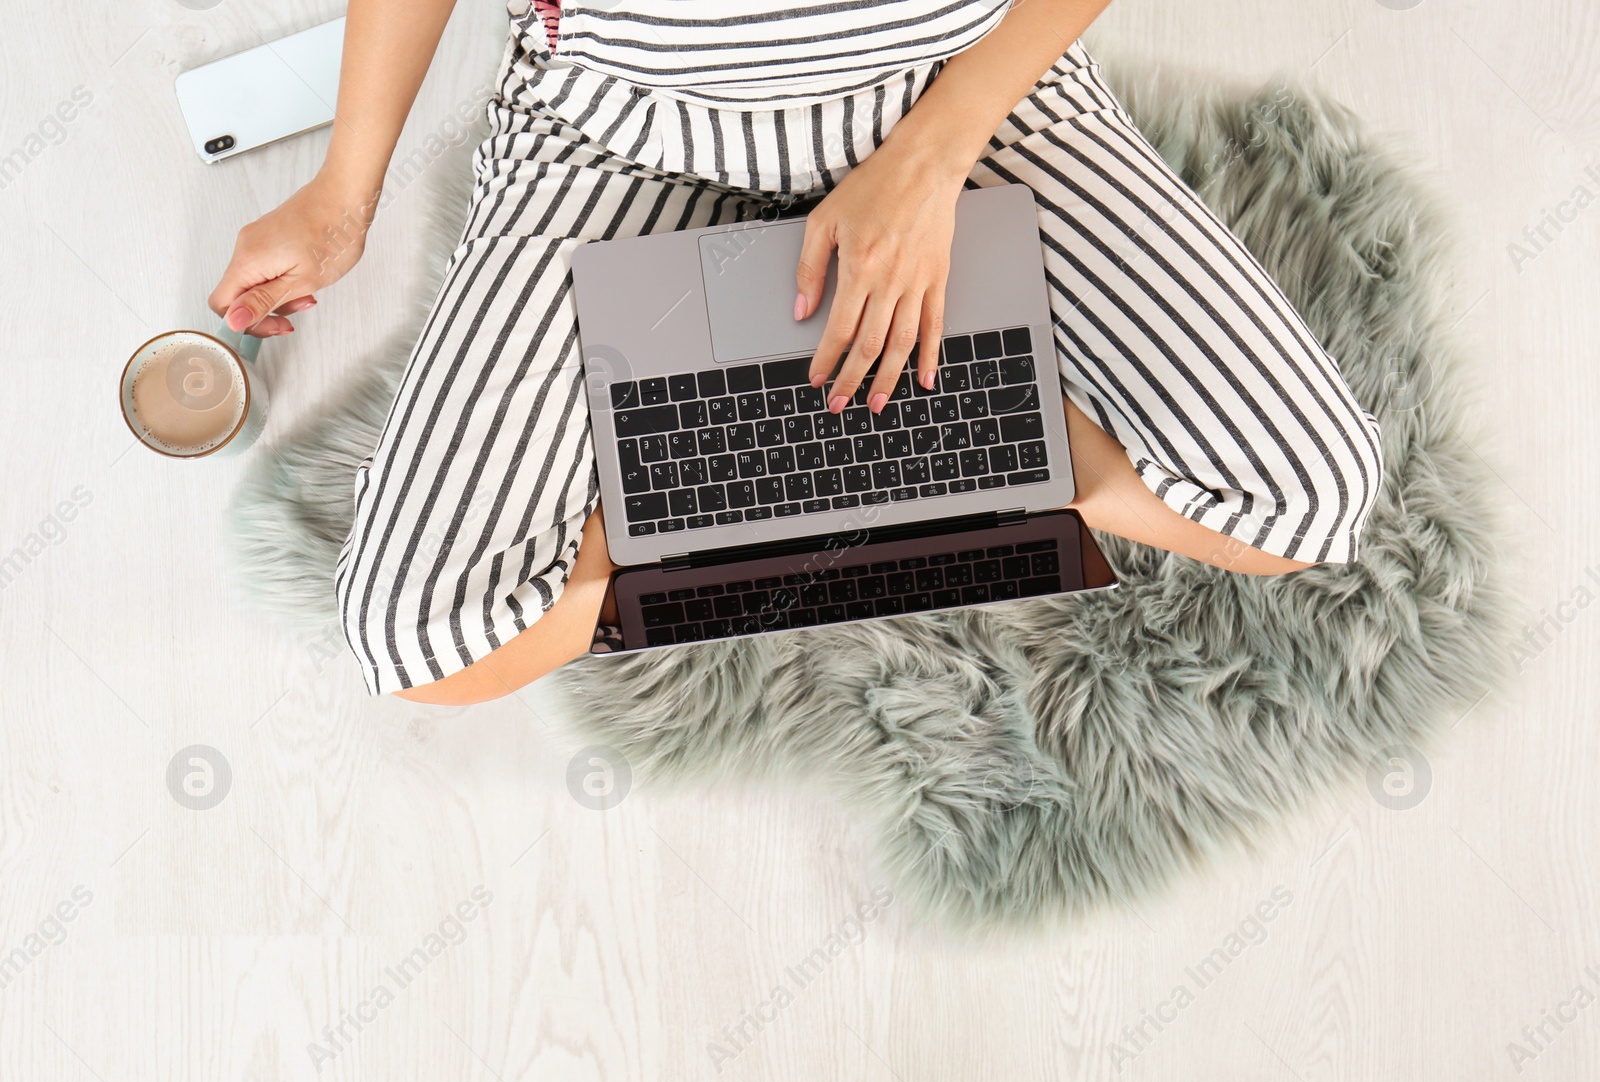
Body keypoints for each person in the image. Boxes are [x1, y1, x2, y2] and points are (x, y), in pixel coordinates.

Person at [209, 0, 1384, 705]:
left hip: (954, 90)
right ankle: (852, 478)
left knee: (1305, 498)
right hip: (616, 126)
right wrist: (342, 198)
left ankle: (967, 460)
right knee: (419, 641)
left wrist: (934, 157)